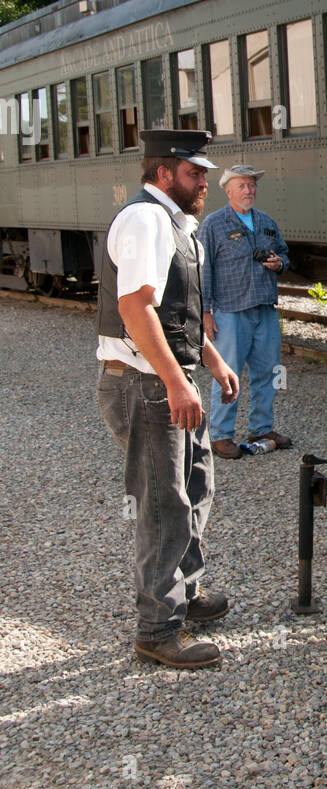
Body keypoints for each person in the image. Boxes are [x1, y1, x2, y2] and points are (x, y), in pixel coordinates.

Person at [96, 130, 240, 670]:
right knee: (162, 503)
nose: (205, 181)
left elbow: (170, 313)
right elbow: (136, 310)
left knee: (196, 484)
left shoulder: (177, 224)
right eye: (194, 172)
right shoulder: (145, 220)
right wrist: (175, 383)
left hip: (168, 376)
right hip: (145, 383)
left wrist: (211, 360)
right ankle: (156, 630)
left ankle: (186, 592)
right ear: (163, 173)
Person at [199, 165, 292, 459]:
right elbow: (203, 269)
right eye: (242, 186)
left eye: (252, 185)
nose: (248, 191)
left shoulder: (266, 221)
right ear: (228, 190)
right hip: (230, 310)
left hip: (264, 308)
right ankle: (221, 435)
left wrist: (279, 264)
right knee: (227, 375)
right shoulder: (213, 225)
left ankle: (262, 428)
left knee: (268, 372)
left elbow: (285, 253)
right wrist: (205, 310)